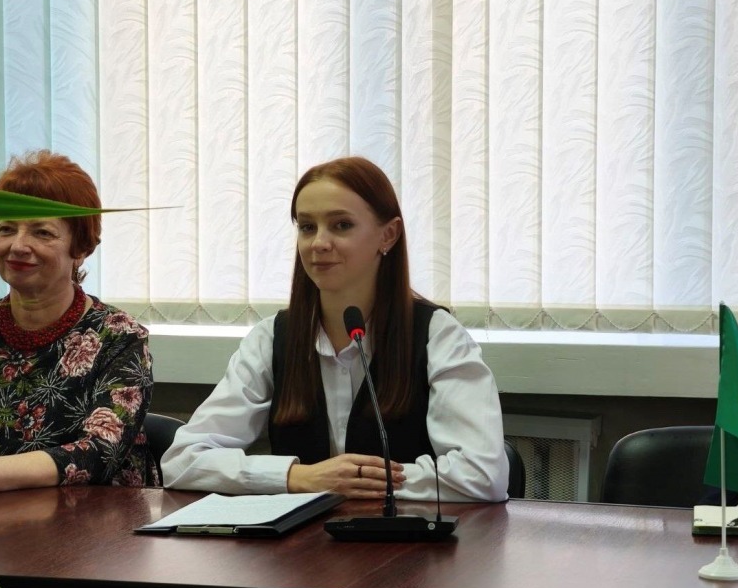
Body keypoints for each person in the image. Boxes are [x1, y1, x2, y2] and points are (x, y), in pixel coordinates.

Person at [162, 156, 508, 502]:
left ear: (388, 235)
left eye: (341, 225)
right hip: (300, 535)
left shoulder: (438, 335)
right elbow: (182, 460)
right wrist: (298, 477)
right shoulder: (272, 338)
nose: (319, 243)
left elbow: (483, 474)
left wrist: (357, 481)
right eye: (307, 227)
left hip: (403, 532)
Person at [0, 150, 158, 496]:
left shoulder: (118, 336)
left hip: (92, 522)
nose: (18, 246)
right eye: (7, 229)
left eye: (43, 232)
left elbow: (99, 452)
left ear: (80, 248)